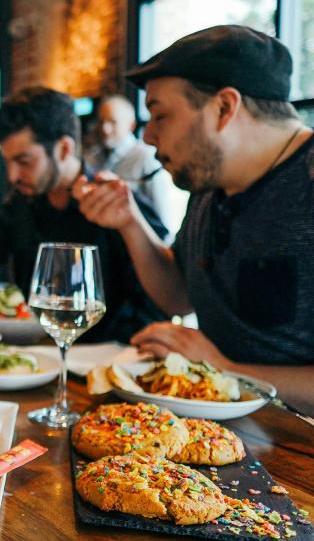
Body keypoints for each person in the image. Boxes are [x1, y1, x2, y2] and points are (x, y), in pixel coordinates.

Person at [73, 25, 314, 413]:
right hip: (224, 429)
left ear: (224, 108)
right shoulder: (209, 185)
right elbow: (178, 294)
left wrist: (226, 369)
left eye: (160, 115)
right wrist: (129, 222)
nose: (148, 137)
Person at [0, 86, 168, 343]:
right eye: (8, 162)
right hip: (34, 354)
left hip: (104, 363)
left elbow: (159, 304)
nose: (13, 176)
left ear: (64, 149)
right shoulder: (19, 206)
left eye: (24, 161)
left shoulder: (117, 204)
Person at [85, 95, 183, 233]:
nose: (105, 129)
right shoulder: (92, 156)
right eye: (101, 121)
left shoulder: (146, 157)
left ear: (131, 125)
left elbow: (162, 216)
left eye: (113, 122)